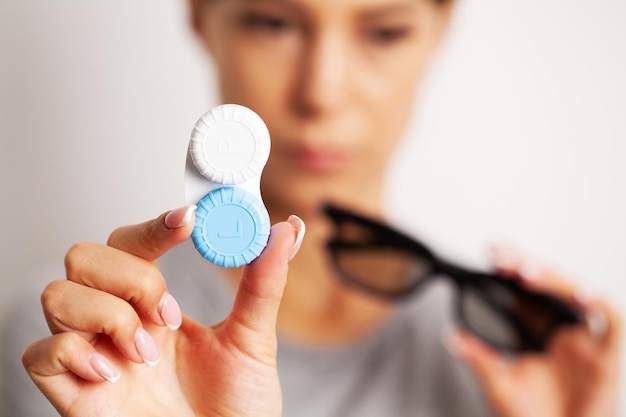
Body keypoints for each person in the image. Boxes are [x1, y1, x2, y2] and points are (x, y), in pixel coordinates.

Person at [8, 0, 622, 416]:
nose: (321, 91)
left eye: (384, 30)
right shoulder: (88, 343)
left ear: (441, 30)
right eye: (274, 23)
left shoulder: (528, 364)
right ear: (200, 17)